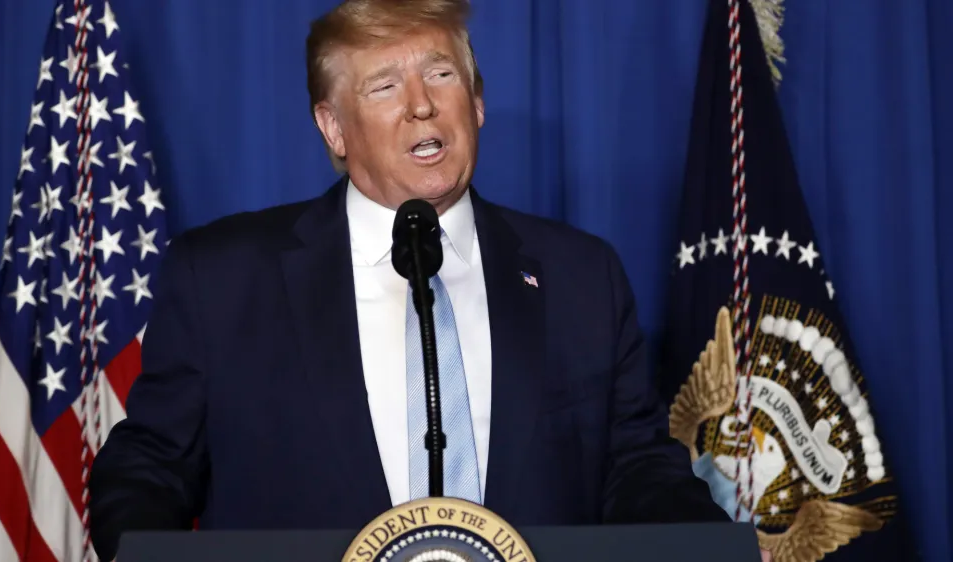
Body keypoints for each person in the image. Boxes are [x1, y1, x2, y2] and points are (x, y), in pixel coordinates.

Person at [89, 0, 739, 560]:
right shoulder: (223, 278)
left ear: (477, 103)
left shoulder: (579, 276)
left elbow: (635, 471)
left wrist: (716, 552)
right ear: (333, 127)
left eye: (441, 74)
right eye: (383, 87)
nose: (422, 106)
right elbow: (149, 469)